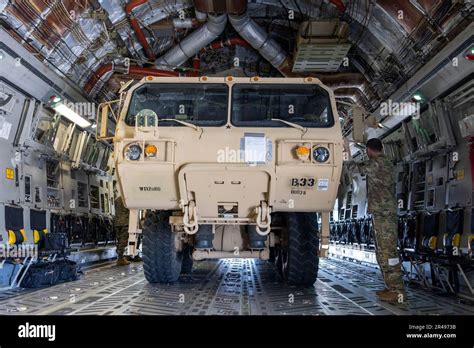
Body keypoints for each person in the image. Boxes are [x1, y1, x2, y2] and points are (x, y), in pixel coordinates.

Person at [345, 138, 407, 304]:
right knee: (382, 251)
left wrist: (346, 149)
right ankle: (390, 287)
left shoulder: (377, 163)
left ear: (368, 150)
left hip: (384, 214)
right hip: (382, 214)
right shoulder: (384, 162)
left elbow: (354, 170)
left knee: (388, 251)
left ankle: (397, 291)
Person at [114, 193, 131, 266]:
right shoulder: (129, 198)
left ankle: (120, 258)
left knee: (119, 240)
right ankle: (120, 259)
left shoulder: (117, 199)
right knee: (123, 241)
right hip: (125, 222)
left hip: (118, 222)